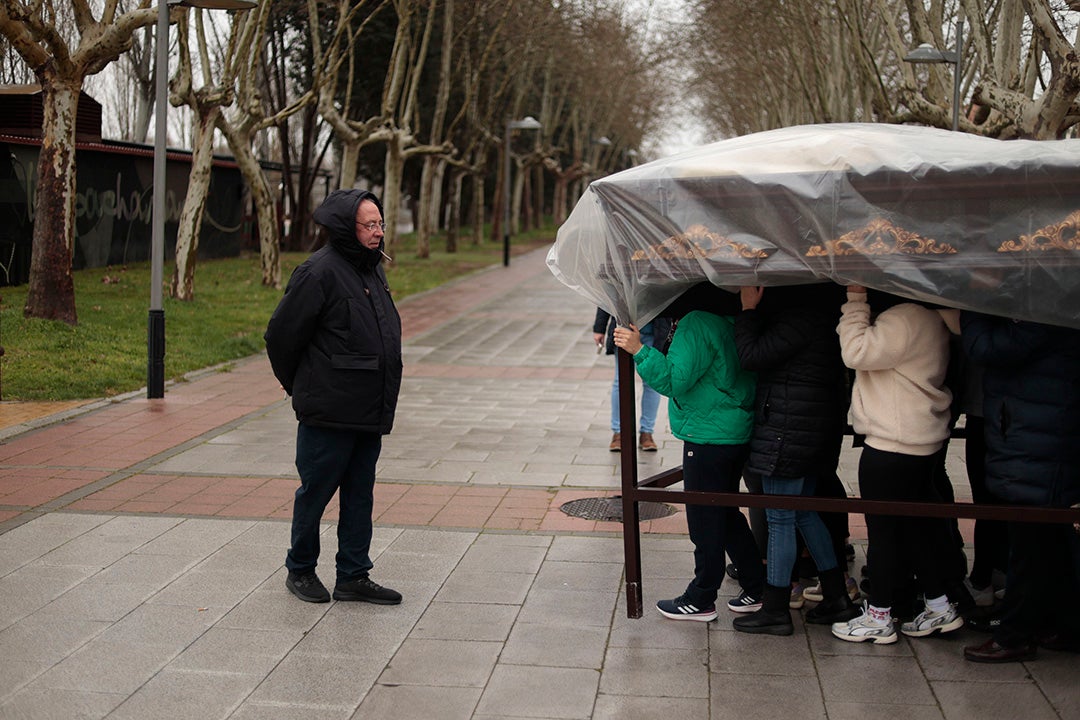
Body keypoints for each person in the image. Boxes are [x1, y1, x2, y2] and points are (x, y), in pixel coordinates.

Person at [264, 189, 403, 606]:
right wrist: (302, 387)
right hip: (327, 410)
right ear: (347, 227)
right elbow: (281, 337)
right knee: (316, 492)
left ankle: (353, 575)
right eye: (370, 225)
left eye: (380, 223)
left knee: (360, 493)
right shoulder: (318, 272)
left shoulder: (372, 268)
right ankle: (300, 569)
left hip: (367, 407)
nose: (378, 232)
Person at [612, 285, 765, 621]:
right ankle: (757, 586)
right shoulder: (734, 318)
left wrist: (640, 350)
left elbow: (672, 381)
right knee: (725, 514)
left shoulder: (697, 322)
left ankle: (701, 597)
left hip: (707, 433)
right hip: (733, 429)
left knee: (704, 519)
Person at [831, 286, 964, 644]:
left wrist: (855, 303)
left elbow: (854, 351)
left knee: (885, 536)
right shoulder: (934, 316)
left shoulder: (904, 317)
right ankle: (939, 607)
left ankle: (879, 616)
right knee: (917, 531)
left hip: (892, 444)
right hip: (921, 442)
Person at [730, 284, 859, 635]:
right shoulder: (820, 316)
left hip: (789, 428)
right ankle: (836, 596)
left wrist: (748, 311)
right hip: (806, 425)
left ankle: (775, 609)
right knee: (802, 511)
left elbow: (750, 355)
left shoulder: (798, 320)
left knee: (781, 516)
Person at [960, 314, 1080, 662]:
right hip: (1037, 438)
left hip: (1040, 446)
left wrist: (972, 309)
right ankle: (1066, 626)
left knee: (1029, 547)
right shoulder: (1051, 306)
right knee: (1045, 544)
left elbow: (986, 347)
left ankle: (1014, 635)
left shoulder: (1044, 313)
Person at [593, 308, 667, 451]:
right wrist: (599, 327)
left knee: (651, 383)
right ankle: (619, 432)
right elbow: (607, 294)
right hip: (623, 329)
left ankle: (647, 432)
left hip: (654, 330)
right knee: (620, 382)